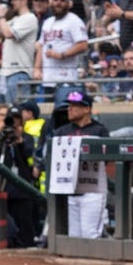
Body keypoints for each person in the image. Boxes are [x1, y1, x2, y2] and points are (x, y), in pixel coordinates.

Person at [53, 91, 110, 239]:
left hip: (93, 189)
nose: (70, 109)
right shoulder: (62, 131)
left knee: (90, 234)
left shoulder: (99, 130)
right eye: (69, 105)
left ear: (87, 109)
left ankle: (97, 262)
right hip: (70, 189)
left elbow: (107, 159)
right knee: (74, 236)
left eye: (75, 106)